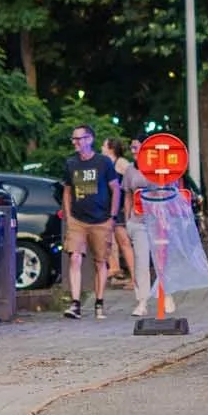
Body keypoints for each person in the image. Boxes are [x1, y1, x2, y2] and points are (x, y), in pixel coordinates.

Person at [60, 124, 119, 320]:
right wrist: (68, 215)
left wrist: (112, 216)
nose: (75, 142)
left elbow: (115, 189)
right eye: (73, 139)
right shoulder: (71, 164)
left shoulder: (103, 162)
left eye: (78, 138)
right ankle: (75, 304)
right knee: (75, 257)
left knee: (100, 261)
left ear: (89, 139)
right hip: (77, 220)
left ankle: (99, 303)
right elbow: (67, 191)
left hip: (101, 220)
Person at [118, 136, 157, 317]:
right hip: (138, 221)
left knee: (161, 262)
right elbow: (127, 196)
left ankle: (166, 294)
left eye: (136, 147)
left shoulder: (158, 167)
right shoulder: (130, 170)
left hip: (157, 222)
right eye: (132, 148)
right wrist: (127, 220)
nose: (133, 151)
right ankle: (142, 301)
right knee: (141, 262)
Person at [101, 140, 138, 294]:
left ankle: (136, 279)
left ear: (111, 148)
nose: (101, 148)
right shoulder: (107, 163)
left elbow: (132, 179)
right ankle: (116, 269)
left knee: (124, 242)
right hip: (111, 209)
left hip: (121, 208)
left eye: (104, 145)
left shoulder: (121, 163)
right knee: (113, 240)